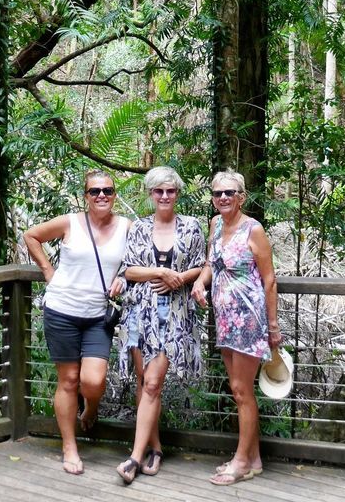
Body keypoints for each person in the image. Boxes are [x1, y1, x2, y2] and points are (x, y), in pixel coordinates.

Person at [23, 169, 129, 477]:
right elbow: (31, 236)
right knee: (69, 380)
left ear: (114, 195)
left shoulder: (126, 227)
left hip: (98, 315)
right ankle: (69, 447)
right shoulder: (70, 222)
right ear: (85, 196)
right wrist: (48, 271)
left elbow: (138, 258)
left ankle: (91, 407)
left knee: (93, 381)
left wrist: (123, 276)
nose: (101, 196)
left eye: (107, 190)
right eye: (95, 191)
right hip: (62, 310)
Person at [191, 169, 282, 486]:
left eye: (229, 192)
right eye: (218, 193)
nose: (223, 198)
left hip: (248, 319)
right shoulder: (215, 224)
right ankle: (253, 459)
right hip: (224, 319)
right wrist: (200, 283)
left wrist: (273, 326)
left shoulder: (253, 230)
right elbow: (210, 264)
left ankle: (241, 462)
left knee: (243, 391)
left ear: (241, 197)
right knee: (238, 388)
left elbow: (270, 280)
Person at [115, 166, 205, 485]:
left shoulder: (192, 227)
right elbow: (129, 270)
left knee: (153, 383)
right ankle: (155, 449)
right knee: (144, 382)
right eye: (159, 191)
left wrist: (179, 277)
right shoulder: (139, 227)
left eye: (170, 190)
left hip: (175, 315)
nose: (165, 196)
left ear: (177, 193)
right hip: (140, 313)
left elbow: (201, 266)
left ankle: (133, 458)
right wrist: (160, 272)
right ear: (150, 194)